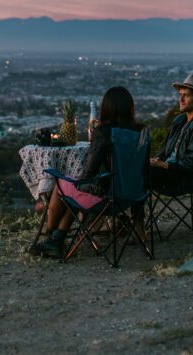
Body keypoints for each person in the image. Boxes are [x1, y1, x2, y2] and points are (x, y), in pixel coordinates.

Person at [31, 85, 144, 258]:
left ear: (107, 109)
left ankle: (51, 237)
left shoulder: (104, 133)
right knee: (73, 194)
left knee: (63, 185)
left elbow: (88, 174)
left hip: (107, 199)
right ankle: (56, 238)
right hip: (133, 196)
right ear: (130, 108)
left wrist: (76, 181)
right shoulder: (141, 132)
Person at [149, 73, 193, 192]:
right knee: (137, 166)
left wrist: (164, 165)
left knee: (142, 173)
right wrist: (155, 160)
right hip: (169, 172)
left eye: (186, 95)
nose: (181, 100)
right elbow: (167, 150)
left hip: (187, 179)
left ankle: (129, 208)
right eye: (180, 95)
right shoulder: (179, 121)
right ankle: (135, 210)